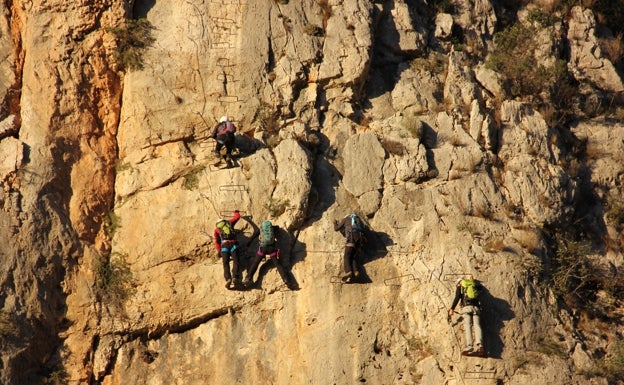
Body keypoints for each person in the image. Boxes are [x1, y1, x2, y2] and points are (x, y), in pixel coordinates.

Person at [243, 220, 298, 290]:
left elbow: (253, 237)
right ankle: (285, 279)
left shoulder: (260, 229)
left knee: (255, 263)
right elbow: (278, 228)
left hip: (263, 249)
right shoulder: (273, 228)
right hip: (272, 249)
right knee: (278, 265)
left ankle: (248, 278)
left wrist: (248, 244)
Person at [448, 275, 485, 356]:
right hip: (476, 308)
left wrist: (452, 309)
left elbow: (457, 297)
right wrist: (472, 281)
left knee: (468, 326)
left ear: (459, 283)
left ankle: (469, 345)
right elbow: (481, 289)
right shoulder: (472, 285)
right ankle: (480, 345)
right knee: (477, 326)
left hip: (467, 308)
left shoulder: (461, 287)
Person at [333, 213, 366, 283]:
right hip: (359, 241)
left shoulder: (346, 219)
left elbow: (336, 228)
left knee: (346, 256)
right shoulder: (358, 220)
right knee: (352, 257)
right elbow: (363, 228)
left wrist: (335, 223)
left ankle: (348, 271)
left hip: (351, 239)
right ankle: (356, 271)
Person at [214, 210, 242, 289]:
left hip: (224, 246)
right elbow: (237, 217)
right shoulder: (229, 223)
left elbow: (217, 241)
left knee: (225, 263)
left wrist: (219, 251)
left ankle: (228, 278)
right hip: (233, 244)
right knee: (236, 261)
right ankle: (235, 277)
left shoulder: (217, 230)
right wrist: (236, 212)